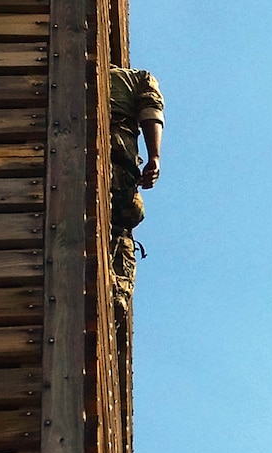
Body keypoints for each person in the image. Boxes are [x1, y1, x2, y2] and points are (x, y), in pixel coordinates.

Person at [109, 65, 165, 314]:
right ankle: (117, 292)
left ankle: (117, 291)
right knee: (125, 216)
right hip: (118, 150)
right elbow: (151, 112)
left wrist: (154, 157)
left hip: (113, 150)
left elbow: (151, 112)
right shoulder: (135, 79)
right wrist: (154, 156)